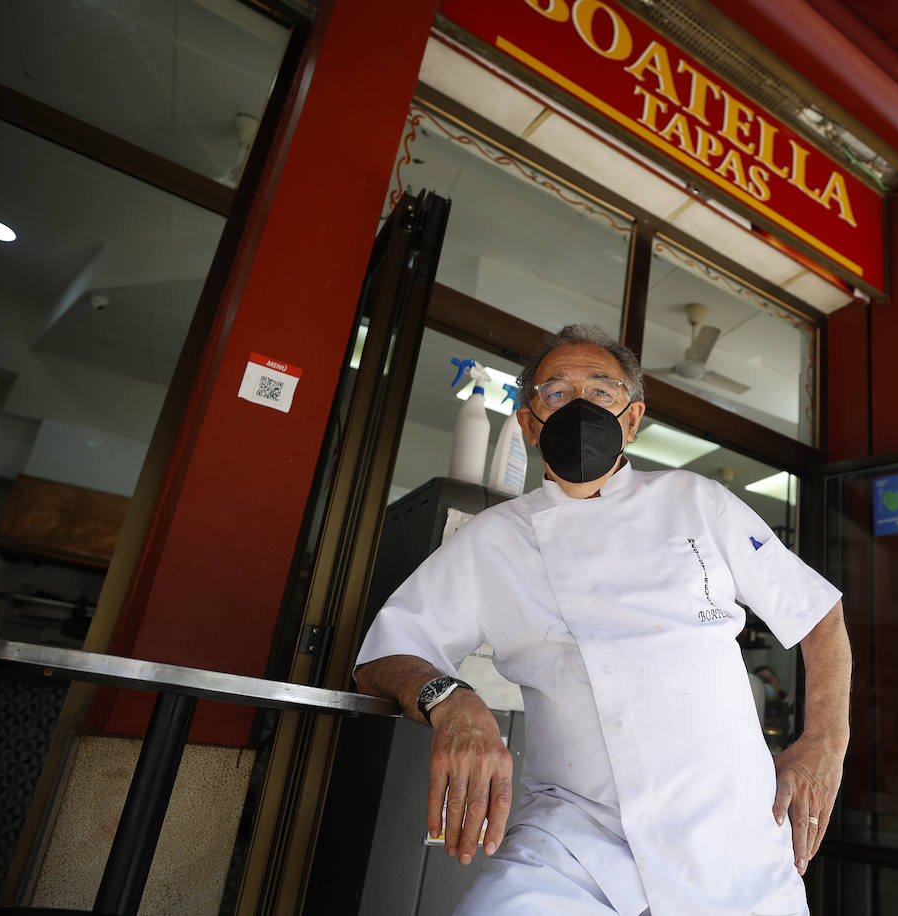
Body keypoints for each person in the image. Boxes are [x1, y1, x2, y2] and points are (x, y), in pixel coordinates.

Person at [355, 325, 851, 915]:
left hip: (734, 843)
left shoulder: (697, 499)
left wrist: (825, 741)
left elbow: (816, 612)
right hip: (572, 844)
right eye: (557, 393)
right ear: (529, 422)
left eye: (602, 390)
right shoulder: (492, 541)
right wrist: (453, 701)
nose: (581, 405)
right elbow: (384, 657)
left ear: (632, 419)